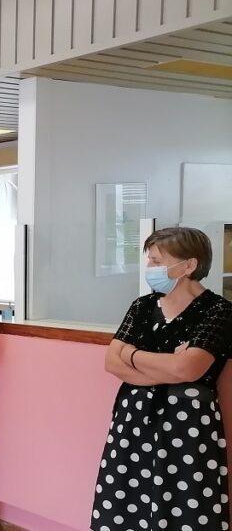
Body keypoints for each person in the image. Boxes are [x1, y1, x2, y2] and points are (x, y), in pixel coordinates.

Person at [92, 227, 232, 531]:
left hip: (188, 428)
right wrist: (167, 364)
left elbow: (188, 370)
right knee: (127, 504)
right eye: (150, 260)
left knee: (186, 506)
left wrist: (132, 354)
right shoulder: (142, 306)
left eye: (156, 261)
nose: (150, 268)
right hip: (133, 422)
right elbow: (111, 361)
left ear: (189, 265)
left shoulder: (218, 311)